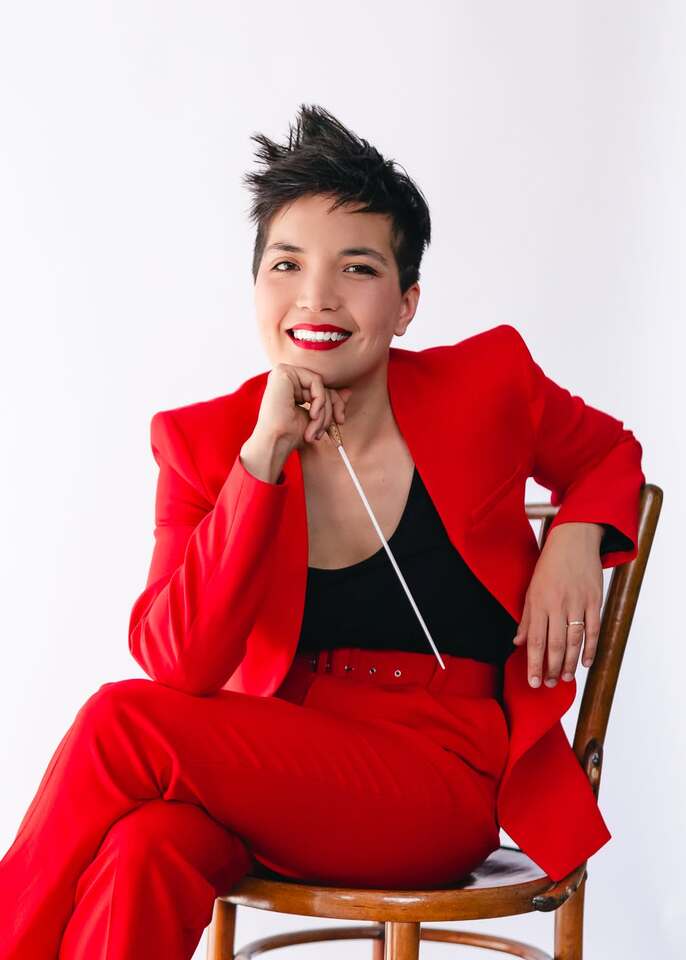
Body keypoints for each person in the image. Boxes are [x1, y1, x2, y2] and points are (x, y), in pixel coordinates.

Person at [0, 103, 644, 960]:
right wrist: (262, 457)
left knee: (122, 723)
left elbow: (608, 452)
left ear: (407, 303)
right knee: (143, 847)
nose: (316, 297)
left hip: (436, 777)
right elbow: (180, 664)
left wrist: (574, 536)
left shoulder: (487, 385)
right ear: (256, 288)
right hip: (270, 769)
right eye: (287, 264)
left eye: (358, 268)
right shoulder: (202, 443)